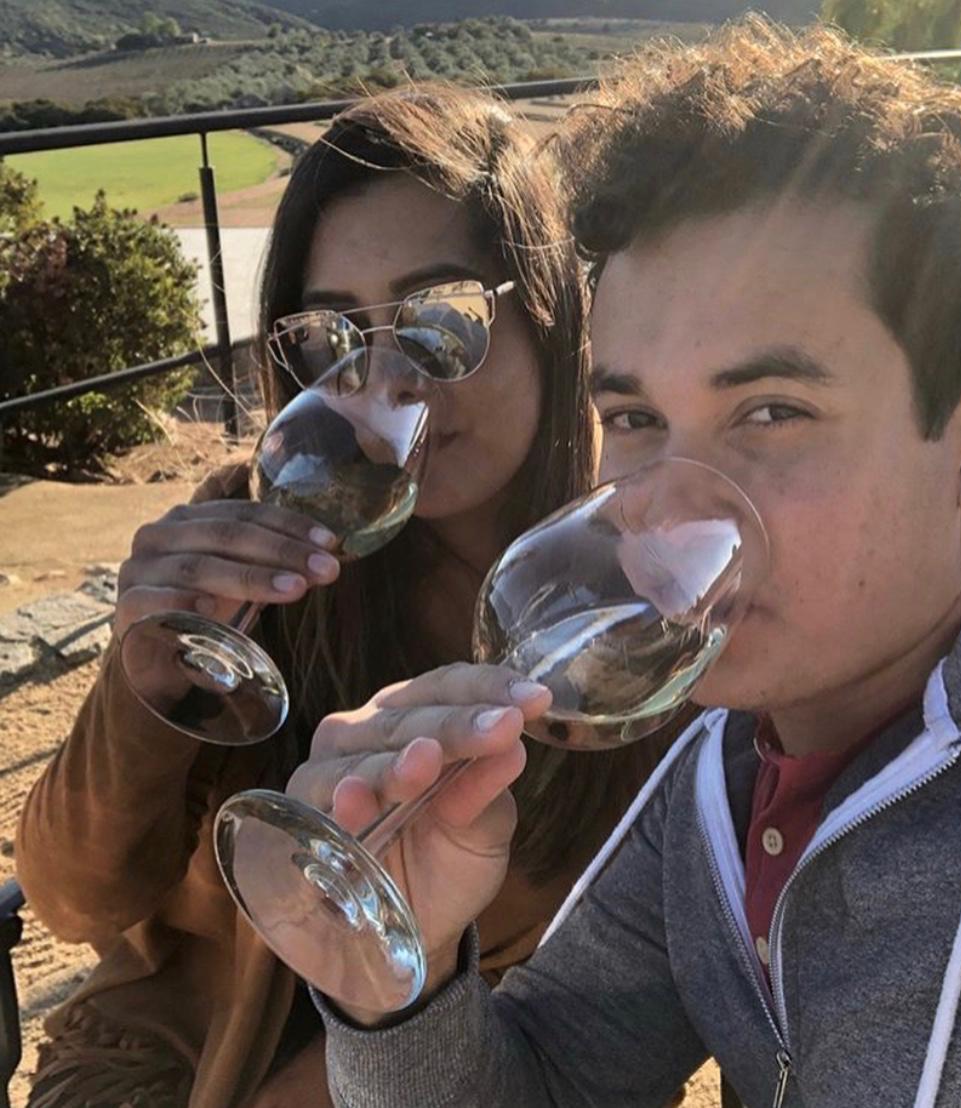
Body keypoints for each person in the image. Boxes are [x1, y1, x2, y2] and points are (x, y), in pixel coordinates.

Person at [289, 20, 961, 1108]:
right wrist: (396, 991)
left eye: (771, 412)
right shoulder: (716, 783)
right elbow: (549, 1086)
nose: (669, 516)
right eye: (637, 419)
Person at [16, 85, 670, 1108]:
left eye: (442, 318)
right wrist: (137, 697)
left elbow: (589, 1010)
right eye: (332, 335)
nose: (386, 381)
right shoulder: (252, 537)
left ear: (549, 310)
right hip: (160, 1067)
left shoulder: (633, 617)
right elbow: (73, 900)